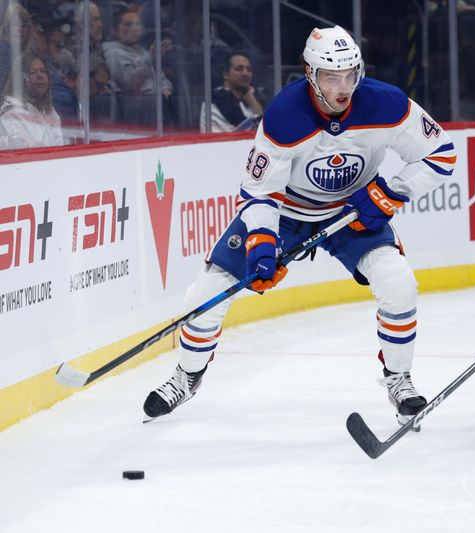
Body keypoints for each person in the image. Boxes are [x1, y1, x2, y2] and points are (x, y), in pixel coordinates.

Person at [143, 26, 456, 423]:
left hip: (352, 213)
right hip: (286, 213)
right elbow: (260, 193)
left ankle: (399, 379)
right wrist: (261, 244)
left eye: (350, 75)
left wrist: (390, 194)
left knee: (398, 283)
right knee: (204, 294)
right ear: (310, 73)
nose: (343, 88)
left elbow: (440, 153)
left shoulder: (387, 104)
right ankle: (187, 375)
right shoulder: (285, 116)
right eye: (331, 76)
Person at [0, 53, 65, 148]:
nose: (40, 76)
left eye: (43, 71)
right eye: (33, 72)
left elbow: (60, 149)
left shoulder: (49, 111)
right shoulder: (11, 114)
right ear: (21, 80)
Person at [199, 51, 265, 132]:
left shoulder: (248, 98)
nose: (245, 73)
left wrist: (251, 99)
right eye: (239, 69)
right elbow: (251, 129)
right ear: (226, 74)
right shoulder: (218, 97)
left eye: (249, 69)